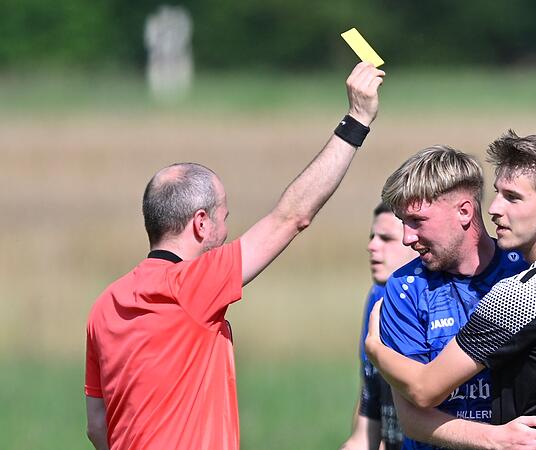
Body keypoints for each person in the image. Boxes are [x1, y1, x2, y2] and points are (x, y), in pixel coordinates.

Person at [84, 62, 385, 450]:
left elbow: (96, 424)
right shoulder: (190, 286)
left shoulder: (105, 305)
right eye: (225, 218)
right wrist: (357, 119)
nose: (227, 231)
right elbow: (292, 217)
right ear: (201, 224)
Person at [366, 131, 536, 449]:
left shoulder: (523, 287)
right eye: (497, 194)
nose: (494, 207)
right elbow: (412, 417)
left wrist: (376, 350)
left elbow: (423, 389)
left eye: (512, 197)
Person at [340, 203, 418, 450]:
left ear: (416, 243)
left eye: (386, 238)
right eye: (372, 237)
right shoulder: (376, 300)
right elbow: (365, 433)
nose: (371, 246)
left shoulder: (437, 306)